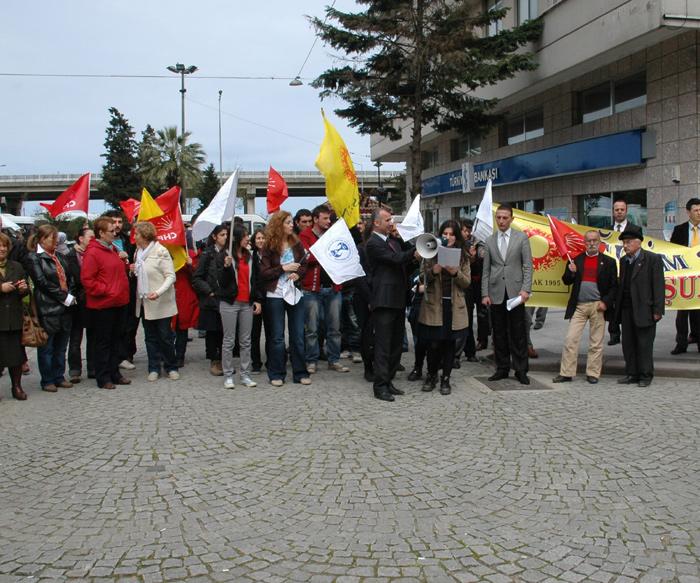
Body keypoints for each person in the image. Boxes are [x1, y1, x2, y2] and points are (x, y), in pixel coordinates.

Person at [365, 208, 419, 402]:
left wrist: (415, 259)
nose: (391, 223)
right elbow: (396, 260)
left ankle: (388, 380)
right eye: (387, 219)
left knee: (396, 345)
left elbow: (403, 266)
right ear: (376, 223)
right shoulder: (373, 243)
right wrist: (415, 250)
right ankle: (380, 386)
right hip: (384, 300)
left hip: (397, 299)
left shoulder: (393, 242)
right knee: (383, 345)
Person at [552, 230, 618, 384]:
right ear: (584, 242)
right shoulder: (576, 260)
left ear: (600, 242)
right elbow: (566, 281)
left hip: (598, 306)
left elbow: (614, 287)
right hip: (579, 306)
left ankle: (593, 373)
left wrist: (606, 302)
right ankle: (566, 373)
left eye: (595, 240)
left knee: (596, 342)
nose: (592, 243)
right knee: (570, 339)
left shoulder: (609, 262)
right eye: (588, 241)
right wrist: (571, 272)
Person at [418, 220, 471, 395]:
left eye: (451, 234)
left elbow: (466, 282)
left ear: (456, 236)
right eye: (445, 234)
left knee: (449, 344)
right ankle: (431, 374)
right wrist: (434, 270)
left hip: (453, 305)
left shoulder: (463, 255)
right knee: (433, 343)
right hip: (435, 305)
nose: (447, 237)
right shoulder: (430, 252)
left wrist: (456, 272)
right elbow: (422, 278)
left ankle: (445, 378)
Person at [481, 204, 533, 385]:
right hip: (496, 292)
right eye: (499, 218)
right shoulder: (489, 240)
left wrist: (526, 289)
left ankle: (521, 369)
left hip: (515, 292)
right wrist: (484, 293)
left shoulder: (521, 238)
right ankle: (502, 367)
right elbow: (486, 270)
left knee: (518, 332)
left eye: (505, 218)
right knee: (499, 333)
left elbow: (527, 266)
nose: (501, 221)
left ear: (511, 219)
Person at [259, 211, 311, 387]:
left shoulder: (296, 243)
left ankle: (300, 372)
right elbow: (264, 273)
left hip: (295, 293)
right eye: (288, 222)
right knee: (277, 337)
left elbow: (304, 265)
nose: (291, 225)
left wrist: (298, 274)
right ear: (279, 224)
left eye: (291, 222)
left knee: (297, 335)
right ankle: (276, 373)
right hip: (275, 294)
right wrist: (284, 268)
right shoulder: (269, 246)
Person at [81, 217, 131, 390]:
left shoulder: (112, 250)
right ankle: (103, 376)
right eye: (111, 231)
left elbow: (115, 273)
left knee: (116, 340)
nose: (115, 233)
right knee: (103, 342)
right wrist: (107, 290)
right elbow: (88, 280)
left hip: (119, 302)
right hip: (103, 305)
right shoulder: (93, 252)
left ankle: (114, 372)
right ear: (101, 233)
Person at [300, 205, 350, 374]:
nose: (329, 221)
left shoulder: (333, 234)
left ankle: (333, 359)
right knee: (312, 328)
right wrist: (327, 253)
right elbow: (307, 257)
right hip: (312, 289)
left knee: (335, 328)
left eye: (330, 218)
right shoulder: (305, 235)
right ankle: (311, 360)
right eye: (325, 218)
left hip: (333, 287)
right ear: (315, 219)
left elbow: (341, 253)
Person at [612, 226, 665, 387]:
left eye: (628, 242)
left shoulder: (652, 259)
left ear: (638, 243)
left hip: (645, 308)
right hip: (627, 308)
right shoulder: (623, 261)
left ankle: (645, 375)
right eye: (623, 243)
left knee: (644, 343)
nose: (625, 246)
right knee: (628, 343)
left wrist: (657, 310)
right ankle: (631, 373)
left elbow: (658, 286)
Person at [27, 224, 76, 392]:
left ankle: (59, 375)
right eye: (52, 238)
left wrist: (70, 293)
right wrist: (64, 297)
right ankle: (47, 379)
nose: (56, 242)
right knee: (47, 347)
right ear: (42, 239)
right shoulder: (34, 258)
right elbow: (42, 283)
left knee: (61, 346)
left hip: (65, 308)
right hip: (48, 308)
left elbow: (70, 278)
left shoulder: (60, 257)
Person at [133, 222, 179, 382]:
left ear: (145, 235)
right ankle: (153, 367)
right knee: (150, 337)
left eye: (137, 234)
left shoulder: (161, 251)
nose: (134, 236)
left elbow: (171, 276)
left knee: (165, 336)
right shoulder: (138, 252)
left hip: (162, 303)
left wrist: (158, 292)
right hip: (145, 302)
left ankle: (171, 366)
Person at [219, 225, 262, 389]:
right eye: (245, 235)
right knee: (229, 341)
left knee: (246, 341)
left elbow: (255, 279)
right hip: (229, 303)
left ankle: (245, 374)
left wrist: (257, 299)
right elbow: (221, 283)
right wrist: (226, 267)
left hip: (247, 303)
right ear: (236, 238)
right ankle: (228, 375)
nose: (248, 238)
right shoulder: (224, 255)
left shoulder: (250, 256)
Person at [103, 209, 138, 371]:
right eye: (113, 222)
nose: (117, 226)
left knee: (128, 324)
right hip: (109, 290)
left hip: (128, 287)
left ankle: (126, 354)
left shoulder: (128, 240)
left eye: (119, 222)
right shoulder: (100, 244)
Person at [192, 225, 228, 376]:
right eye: (222, 234)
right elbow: (197, 278)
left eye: (226, 234)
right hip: (211, 300)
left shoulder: (229, 252)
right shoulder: (207, 254)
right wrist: (209, 291)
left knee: (224, 331)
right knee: (213, 331)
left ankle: (224, 358)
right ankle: (214, 359)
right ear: (214, 237)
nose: (225, 237)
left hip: (226, 298)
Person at [0, 232, 29, 400]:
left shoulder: (16, 266)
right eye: (0, 245)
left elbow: (25, 293)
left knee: (16, 356)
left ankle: (16, 386)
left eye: (4, 246)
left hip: (13, 318)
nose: (2, 249)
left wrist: (23, 288)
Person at [608, 198, 640, 346]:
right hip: (612, 270)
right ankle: (614, 333)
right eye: (616, 209)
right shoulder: (606, 230)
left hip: (629, 270)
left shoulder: (635, 229)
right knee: (612, 303)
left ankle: (630, 331)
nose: (619, 212)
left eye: (622, 209)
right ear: (613, 212)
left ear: (626, 211)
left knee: (627, 303)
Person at [670, 197, 700, 354]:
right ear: (688, 212)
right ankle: (681, 343)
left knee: (698, 311)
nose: (699, 213)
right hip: (683, 279)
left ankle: (697, 338)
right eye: (695, 210)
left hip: (699, 278)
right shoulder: (679, 230)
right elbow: (672, 253)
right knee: (682, 313)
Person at [65, 226, 95, 383]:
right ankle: (75, 369)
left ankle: (92, 367)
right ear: (81, 239)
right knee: (75, 337)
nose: (93, 240)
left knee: (93, 336)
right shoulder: (69, 256)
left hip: (93, 300)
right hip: (76, 302)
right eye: (91, 237)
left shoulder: (95, 254)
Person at [173, 251, 199, 368]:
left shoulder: (189, 253)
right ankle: (166, 355)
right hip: (167, 293)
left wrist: (190, 265)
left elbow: (197, 275)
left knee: (181, 328)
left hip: (183, 294)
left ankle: (179, 356)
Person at [250, 228, 267, 373]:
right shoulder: (251, 257)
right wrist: (256, 299)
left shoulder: (271, 256)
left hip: (270, 298)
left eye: (263, 238)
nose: (261, 240)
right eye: (258, 238)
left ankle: (271, 361)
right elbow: (253, 280)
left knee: (271, 332)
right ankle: (256, 362)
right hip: (255, 299)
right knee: (254, 334)